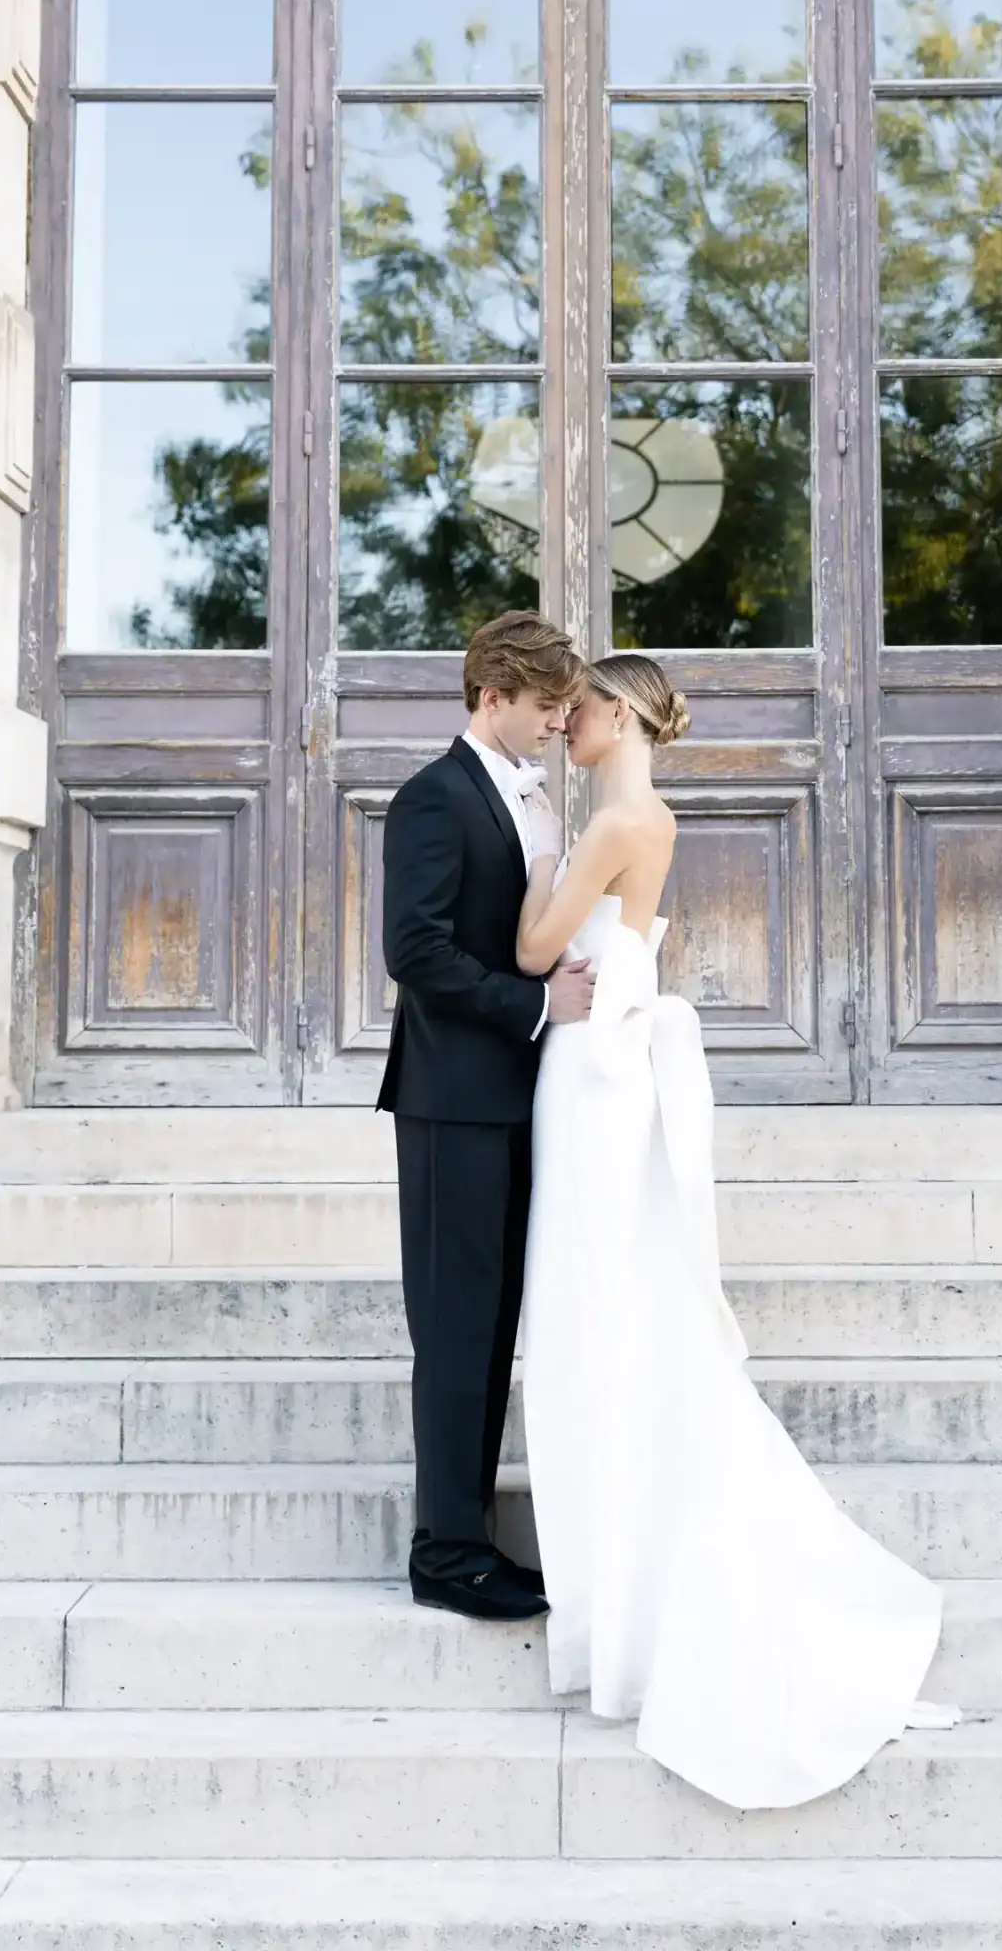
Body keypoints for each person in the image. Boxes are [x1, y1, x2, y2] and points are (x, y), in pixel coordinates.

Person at [515, 651, 957, 1808]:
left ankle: (630, 1581)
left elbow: (530, 949)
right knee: (606, 1297)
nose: (565, 727)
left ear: (617, 715)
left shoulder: (614, 824)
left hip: (590, 1061)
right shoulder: (632, 814)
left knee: (599, 1300)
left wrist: (537, 867)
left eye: (579, 713)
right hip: (599, 1058)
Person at [379, 610, 594, 1622]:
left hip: (512, 1100)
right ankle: (446, 1552)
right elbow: (414, 951)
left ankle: (469, 1535)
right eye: (546, 706)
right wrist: (538, 1005)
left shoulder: (528, 796)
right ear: (490, 697)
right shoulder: (433, 798)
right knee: (457, 1333)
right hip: (450, 1105)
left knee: (495, 1326)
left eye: (566, 708)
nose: (560, 724)